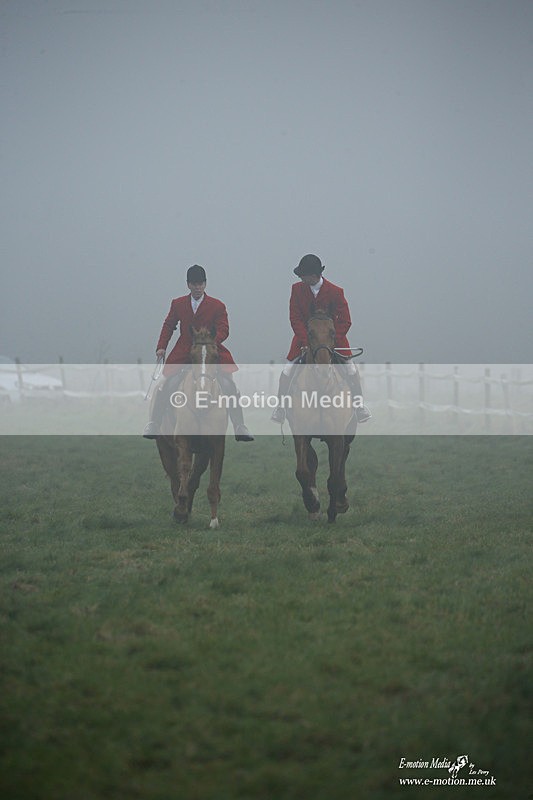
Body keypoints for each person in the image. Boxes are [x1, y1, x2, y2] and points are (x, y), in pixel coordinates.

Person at [143, 264, 253, 441]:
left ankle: (239, 426)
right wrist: (161, 346)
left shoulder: (217, 305)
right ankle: (154, 423)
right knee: (166, 385)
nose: (197, 288)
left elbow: (224, 329)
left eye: (200, 284)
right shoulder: (178, 303)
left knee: (229, 385)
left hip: (210, 353)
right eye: (194, 284)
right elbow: (169, 325)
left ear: (205, 284)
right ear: (188, 285)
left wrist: (209, 343)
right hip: (184, 352)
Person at [271, 253, 371, 424]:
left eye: (303, 275)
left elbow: (346, 320)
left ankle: (359, 406)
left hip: (334, 342)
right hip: (304, 342)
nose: (300, 278)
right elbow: (294, 318)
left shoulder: (336, 292)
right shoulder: (296, 290)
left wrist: (330, 342)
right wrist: (306, 342)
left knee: (351, 370)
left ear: (313, 275)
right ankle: (281, 407)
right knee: (287, 370)